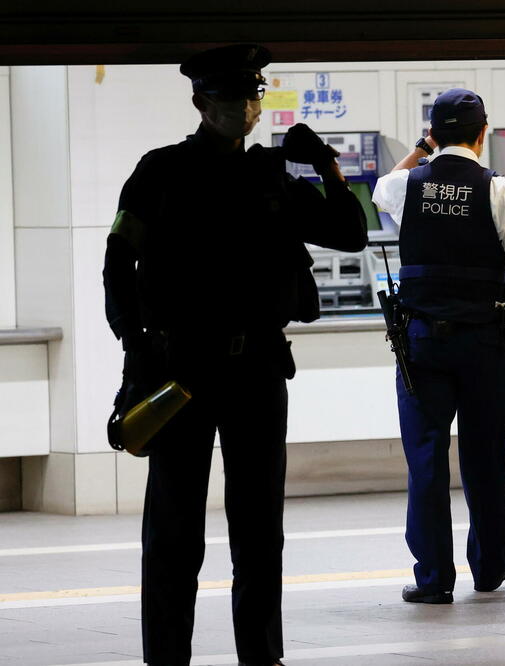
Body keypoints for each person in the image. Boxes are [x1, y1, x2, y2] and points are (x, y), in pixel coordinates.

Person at [102, 44, 368, 665]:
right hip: (180, 369)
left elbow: (351, 233)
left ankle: (262, 654)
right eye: (231, 97)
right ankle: (166, 656)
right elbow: (118, 260)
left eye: (254, 96)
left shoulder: (272, 176)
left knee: (258, 529)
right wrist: (134, 346)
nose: (246, 108)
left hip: (255, 370)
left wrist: (326, 163)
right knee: (173, 529)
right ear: (201, 102)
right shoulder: (159, 171)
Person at [372, 88, 505, 604]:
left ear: (434, 133)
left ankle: (433, 579)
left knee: (427, 460)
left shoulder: (408, 184)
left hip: (423, 347)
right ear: (483, 132)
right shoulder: (502, 191)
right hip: (485, 346)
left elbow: (380, 188)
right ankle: (491, 566)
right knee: (486, 456)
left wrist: (423, 149)